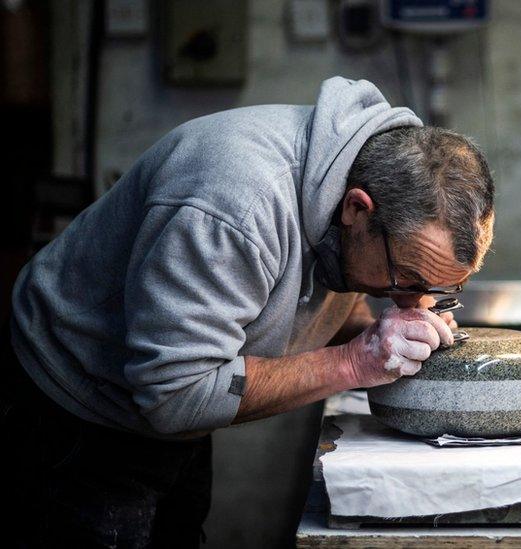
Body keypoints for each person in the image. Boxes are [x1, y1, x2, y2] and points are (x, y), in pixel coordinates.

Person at [0, 77, 495, 547]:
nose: (419, 300)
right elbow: (174, 394)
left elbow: (310, 287)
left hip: (175, 416)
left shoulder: (359, 174)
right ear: (356, 210)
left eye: (440, 285)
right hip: (76, 413)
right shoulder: (234, 209)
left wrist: (372, 330)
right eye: (407, 280)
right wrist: (354, 361)